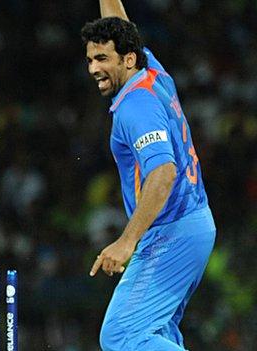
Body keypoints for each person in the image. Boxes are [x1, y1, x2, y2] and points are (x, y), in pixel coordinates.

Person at [82, 1, 216, 350]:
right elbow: (121, 26)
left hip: (172, 232)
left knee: (121, 336)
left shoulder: (135, 107)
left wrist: (126, 242)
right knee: (156, 336)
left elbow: (163, 173)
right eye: (91, 59)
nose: (93, 68)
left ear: (127, 60)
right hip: (193, 224)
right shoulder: (150, 70)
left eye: (102, 59)